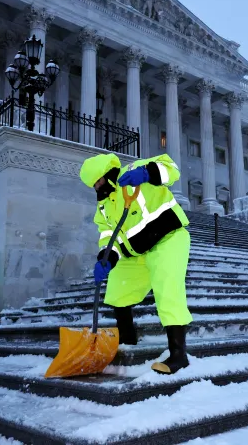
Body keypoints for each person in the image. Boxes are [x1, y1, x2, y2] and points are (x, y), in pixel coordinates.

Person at [79, 152, 193, 375]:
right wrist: (106, 258)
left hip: (168, 239)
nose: (96, 188)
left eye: (98, 181)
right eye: (92, 185)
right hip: (135, 253)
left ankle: (179, 355)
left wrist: (148, 173)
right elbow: (107, 235)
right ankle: (128, 342)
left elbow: (172, 170)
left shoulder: (135, 170)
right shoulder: (103, 206)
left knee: (167, 287)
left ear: (107, 174)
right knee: (117, 290)